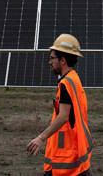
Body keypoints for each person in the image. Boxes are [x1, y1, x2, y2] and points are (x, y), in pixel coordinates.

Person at [26, 34, 93, 176]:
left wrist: (41, 138)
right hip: (76, 147)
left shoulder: (65, 84)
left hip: (66, 152)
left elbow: (63, 116)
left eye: (52, 58)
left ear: (62, 60)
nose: (49, 62)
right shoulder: (74, 78)